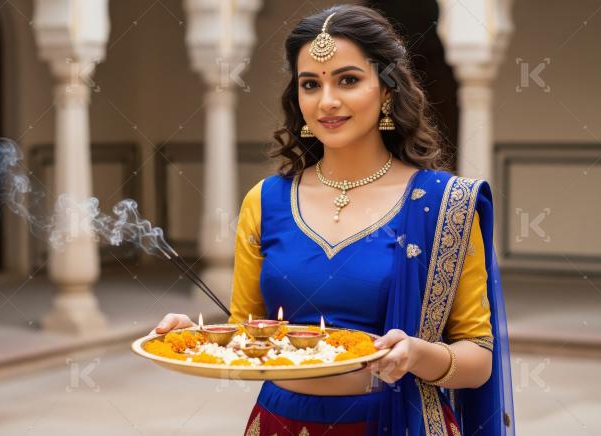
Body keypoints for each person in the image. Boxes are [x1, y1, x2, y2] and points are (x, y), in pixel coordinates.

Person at [153, 4, 514, 435]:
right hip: (280, 422)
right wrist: (191, 336)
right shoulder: (265, 201)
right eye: (310, 84)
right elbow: (248, 331)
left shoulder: (444, 205)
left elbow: (479, 358)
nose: (327, 101)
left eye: (348, 79)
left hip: (398, 422)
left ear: (387, 91)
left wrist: (417, 354)